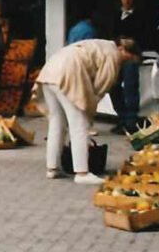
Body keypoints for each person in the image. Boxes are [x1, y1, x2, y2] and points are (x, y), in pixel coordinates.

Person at [37, 37, 141, 184]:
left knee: (57, 123)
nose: (126, 61)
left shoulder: (100, 45)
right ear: (122, 49)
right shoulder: (113, 54)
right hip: (69, 72)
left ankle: (52, 168)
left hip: (49, 71)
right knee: (79, 124)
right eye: (128, 57)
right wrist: (89, 111)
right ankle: (82, 173)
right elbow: (101, 86)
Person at [108, 0, 146, 134]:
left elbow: (142, 36)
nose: (127, 1)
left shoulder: (139, 16)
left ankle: (130, 122)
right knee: (113, 86)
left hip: (132, 55)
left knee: (130, 88)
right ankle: (122, 119)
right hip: (117, 55)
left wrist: (133, 49)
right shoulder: (116, 15)